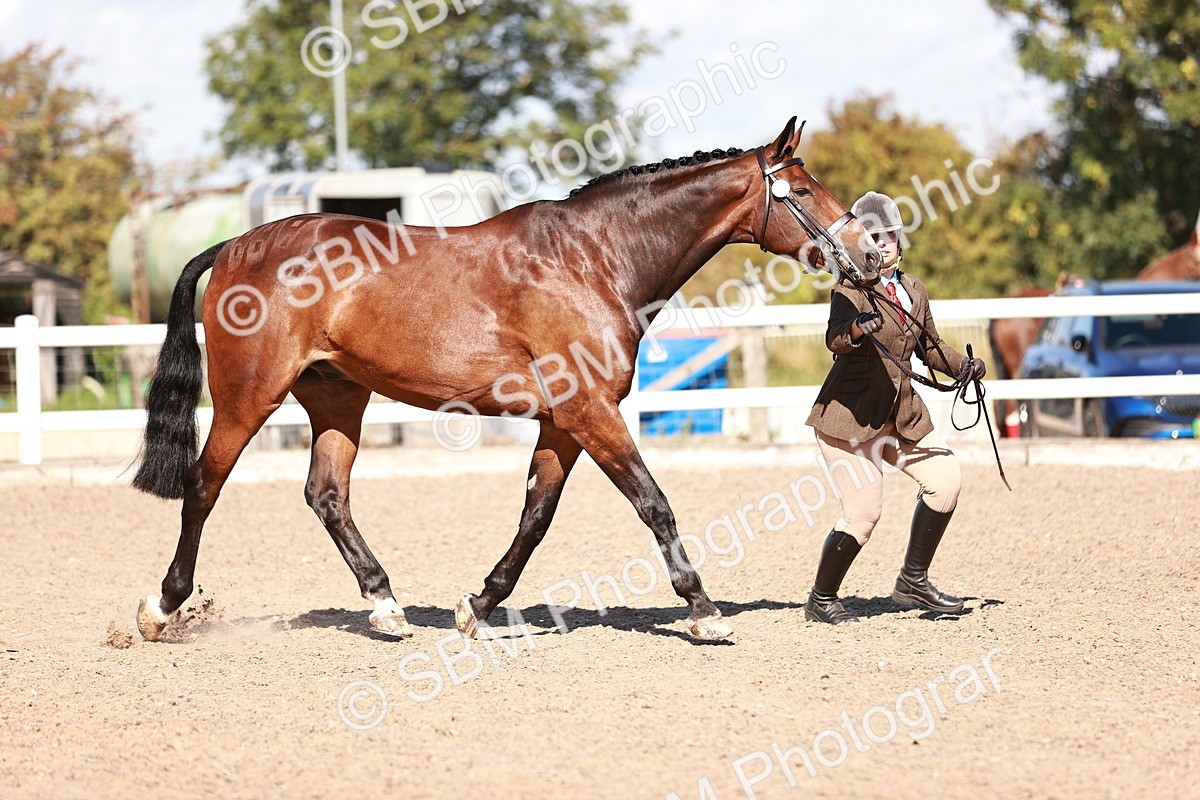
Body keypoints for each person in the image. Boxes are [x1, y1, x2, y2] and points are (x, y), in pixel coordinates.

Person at [803, 191, 986, 624]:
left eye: (889, 236)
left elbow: (931, 347)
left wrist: (966, 367)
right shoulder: (849, 289)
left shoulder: (914, 290)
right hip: (847, 418)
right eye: (873, 237)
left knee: (945, 481)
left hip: (900, 414)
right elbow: (834, 338)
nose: (882, 243)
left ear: (900, 242)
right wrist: (855, 331)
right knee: (864, 513)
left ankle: (912, 581)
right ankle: (821, 598)